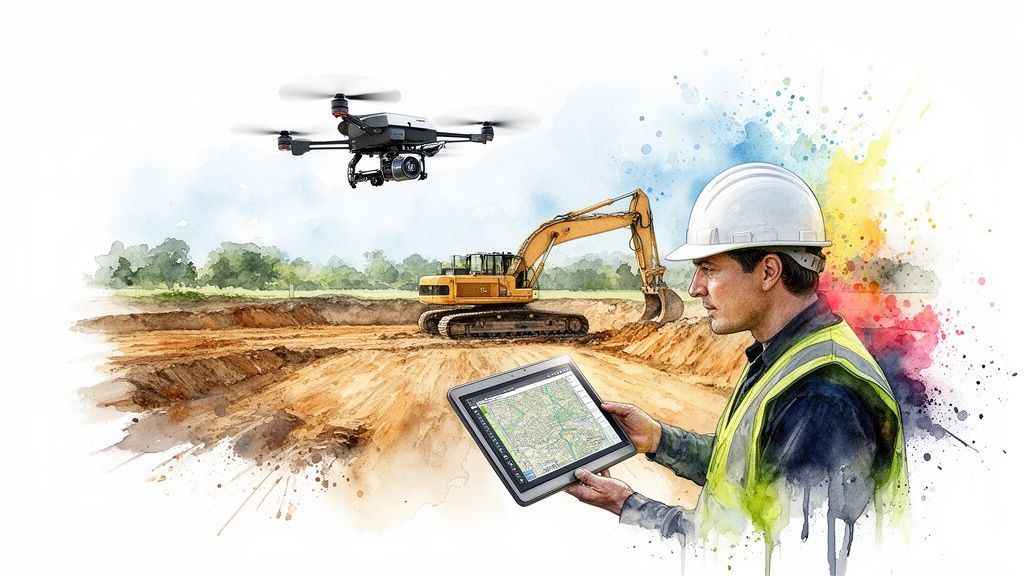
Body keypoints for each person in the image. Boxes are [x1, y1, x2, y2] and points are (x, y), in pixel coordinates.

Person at [566, 162, 907, 575]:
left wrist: (629, 505)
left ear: (768, 272)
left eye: (708, 269)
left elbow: (756, 557)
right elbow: (749, 469)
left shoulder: (821, 399)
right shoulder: (785, 356)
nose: (694, 288)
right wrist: (657, 439)